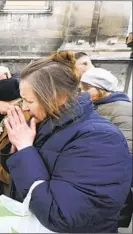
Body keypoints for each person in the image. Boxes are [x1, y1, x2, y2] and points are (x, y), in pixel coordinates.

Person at [0, 51, 131, 232]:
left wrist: (25, 149)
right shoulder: (50, 124)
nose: (24, 107)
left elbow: (62, 215)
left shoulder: (101, 139)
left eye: (29, 100)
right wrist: (16, 148)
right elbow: (25, 176)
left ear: (55, 96)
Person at [80, 67, 133, 228]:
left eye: (85, 89)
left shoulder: (122, 108)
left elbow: (125, 148)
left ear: (98, 89)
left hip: (109, 176)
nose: (81, 92)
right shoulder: (95, 104)